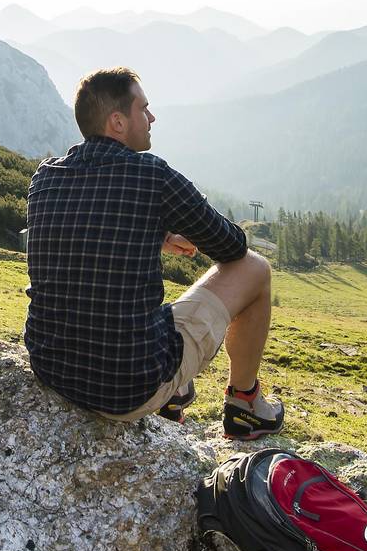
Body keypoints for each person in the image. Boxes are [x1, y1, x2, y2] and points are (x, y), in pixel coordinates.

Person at [24, 67, 285, 439]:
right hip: (125, 389)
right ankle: (245, 406)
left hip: (52, 369)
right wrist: (172, 218)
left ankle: (175, 394)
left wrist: (156, 232)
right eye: (143, 109)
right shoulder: (153, 176)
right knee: (255, 268)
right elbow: (231, 247)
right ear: (117, 122)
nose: (151, 117)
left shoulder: (44, 177)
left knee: (128, 309)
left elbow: (84, 235)